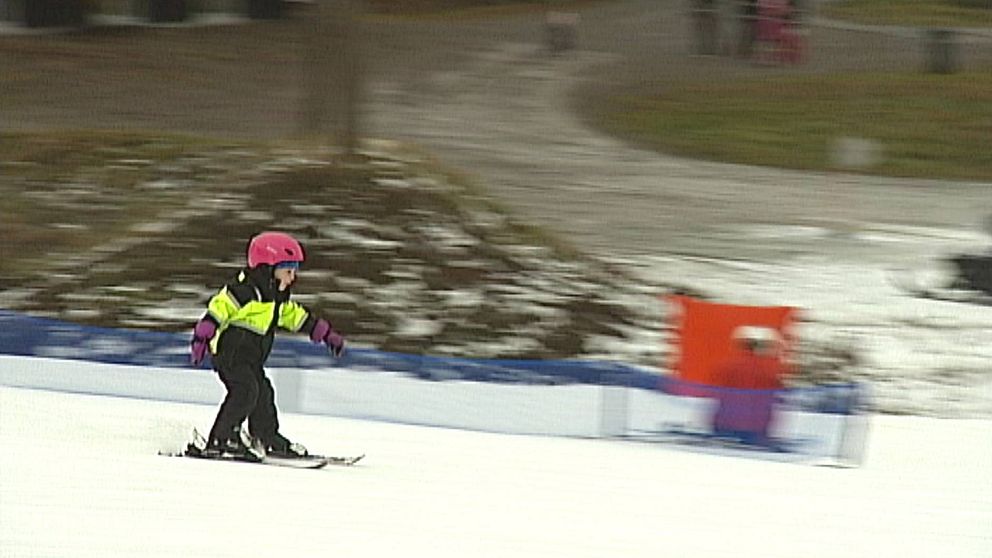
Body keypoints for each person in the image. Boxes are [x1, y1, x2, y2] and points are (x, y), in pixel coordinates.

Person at [190, 231, 345, 461]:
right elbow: (218, 309)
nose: (292, 278)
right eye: (288, 271)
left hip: (250, 359)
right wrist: (202, 337)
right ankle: (222, 439)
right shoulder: (243, 291)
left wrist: (325, 333)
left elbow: (296, 317)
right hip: (229, 355)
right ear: (267, 269)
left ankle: (265, 436)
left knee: (263, 393)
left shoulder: (275, 300)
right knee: (245, 391)